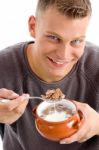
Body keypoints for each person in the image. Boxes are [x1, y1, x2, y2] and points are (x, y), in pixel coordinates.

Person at [0, 0, 99, 149]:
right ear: (33, 26)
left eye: (76, 41)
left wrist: (97, 124)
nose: (63, 55)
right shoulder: (4, 66)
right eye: (54, 38)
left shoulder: (96, 66)